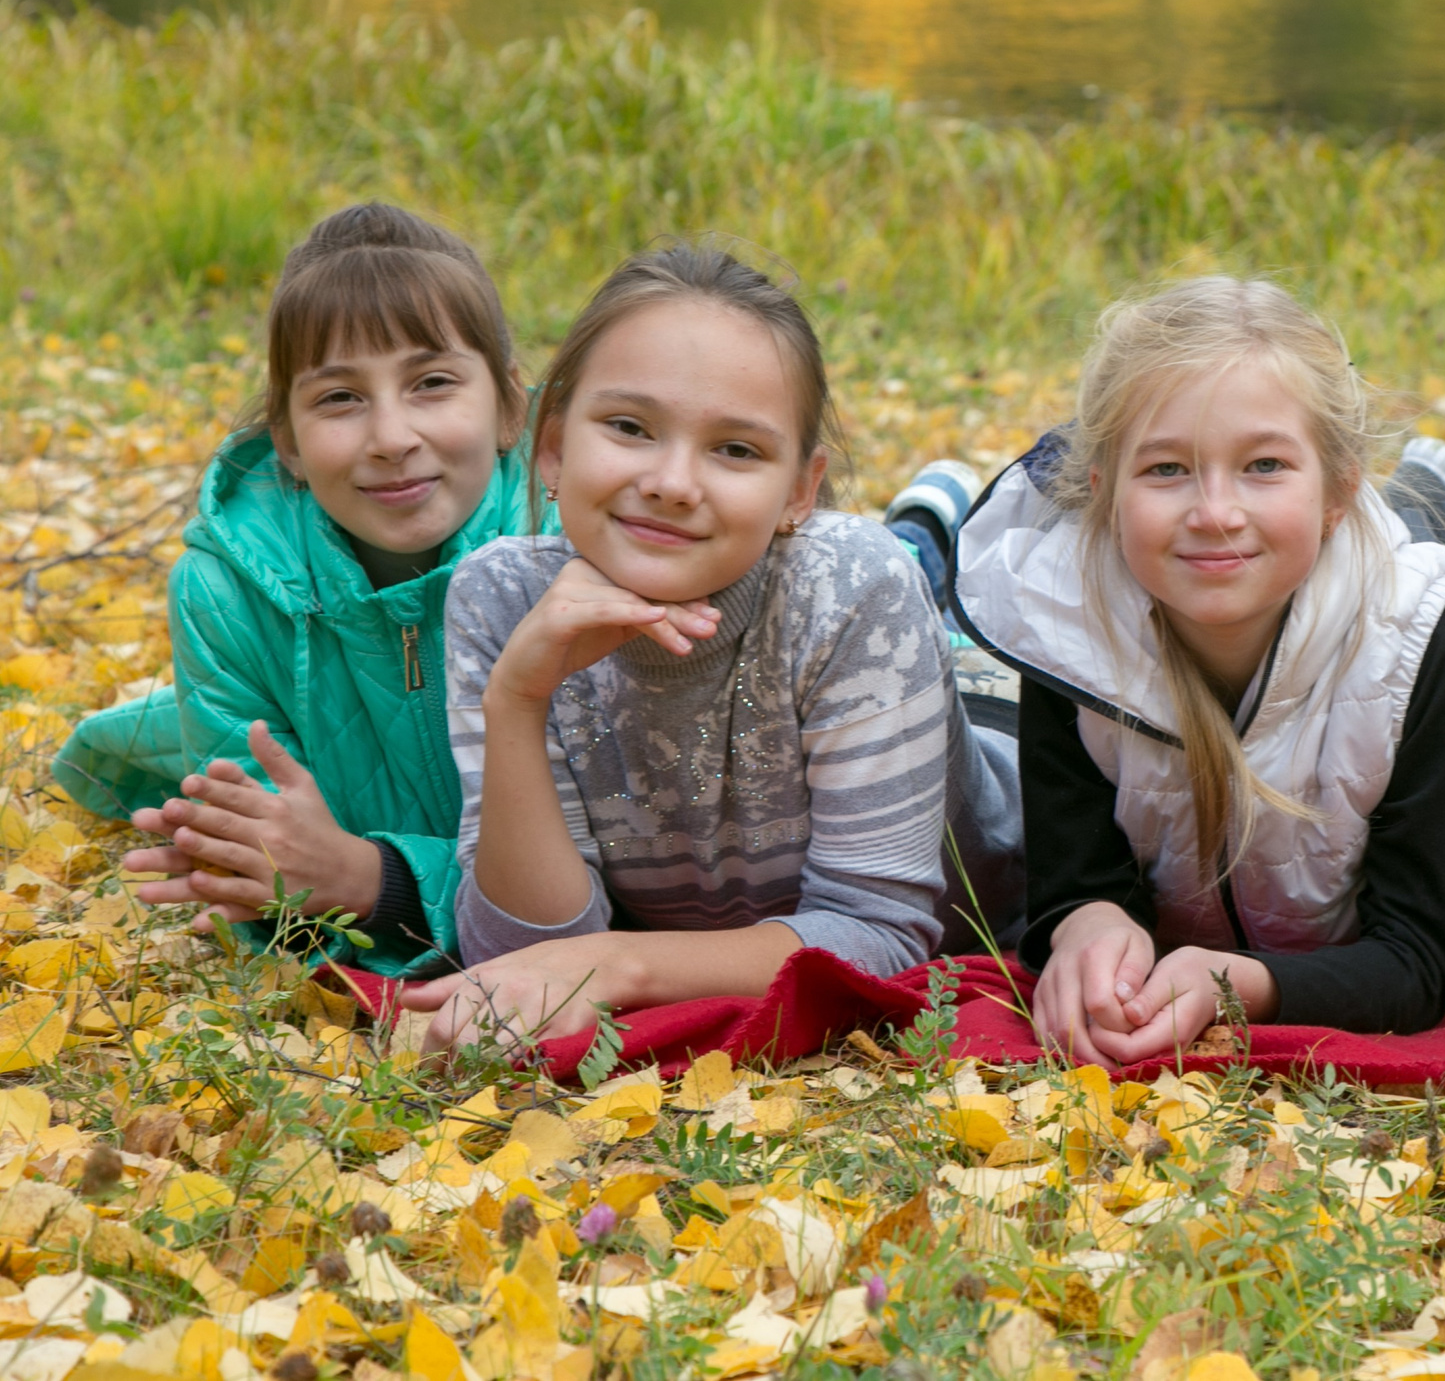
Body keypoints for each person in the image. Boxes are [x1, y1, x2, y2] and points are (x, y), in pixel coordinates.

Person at [400, 246, 1020, 1051]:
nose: (671, 481)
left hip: (969, 707)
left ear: (800, 488)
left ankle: (928, 531)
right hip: (831, 634)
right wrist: (517, 702)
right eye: (629, 427)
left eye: (735, 449)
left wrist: (620, 964)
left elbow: (881, 935)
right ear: (551, 448)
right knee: (883, 564)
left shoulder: (853, 588)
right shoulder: (500, 598)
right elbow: (526, 958)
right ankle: (924, 522)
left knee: (904, 577)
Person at [954, 277, 1445, 1069]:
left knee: (1444, 581)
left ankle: (1433, 506)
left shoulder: (1424, 637)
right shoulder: (1058, 624)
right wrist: (1088, 927)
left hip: (1376, 599)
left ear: (1340, 490)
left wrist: (1238, 983)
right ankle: (933, 519)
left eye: (1264, 465)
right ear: (1103, 493)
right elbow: (1074, 883)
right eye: (1167, 469)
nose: (1214, 511)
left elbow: (1415, 959)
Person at [53, 204, 531, 975]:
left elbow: (616, 870)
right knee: (167, 743)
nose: (391, 437)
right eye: (340, 397)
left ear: (510, 405)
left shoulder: (575, 555)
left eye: (432, 382)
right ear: (288, 440)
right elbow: (268, 888)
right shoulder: (222, 592)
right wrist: (283, 882)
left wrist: (364, 878)